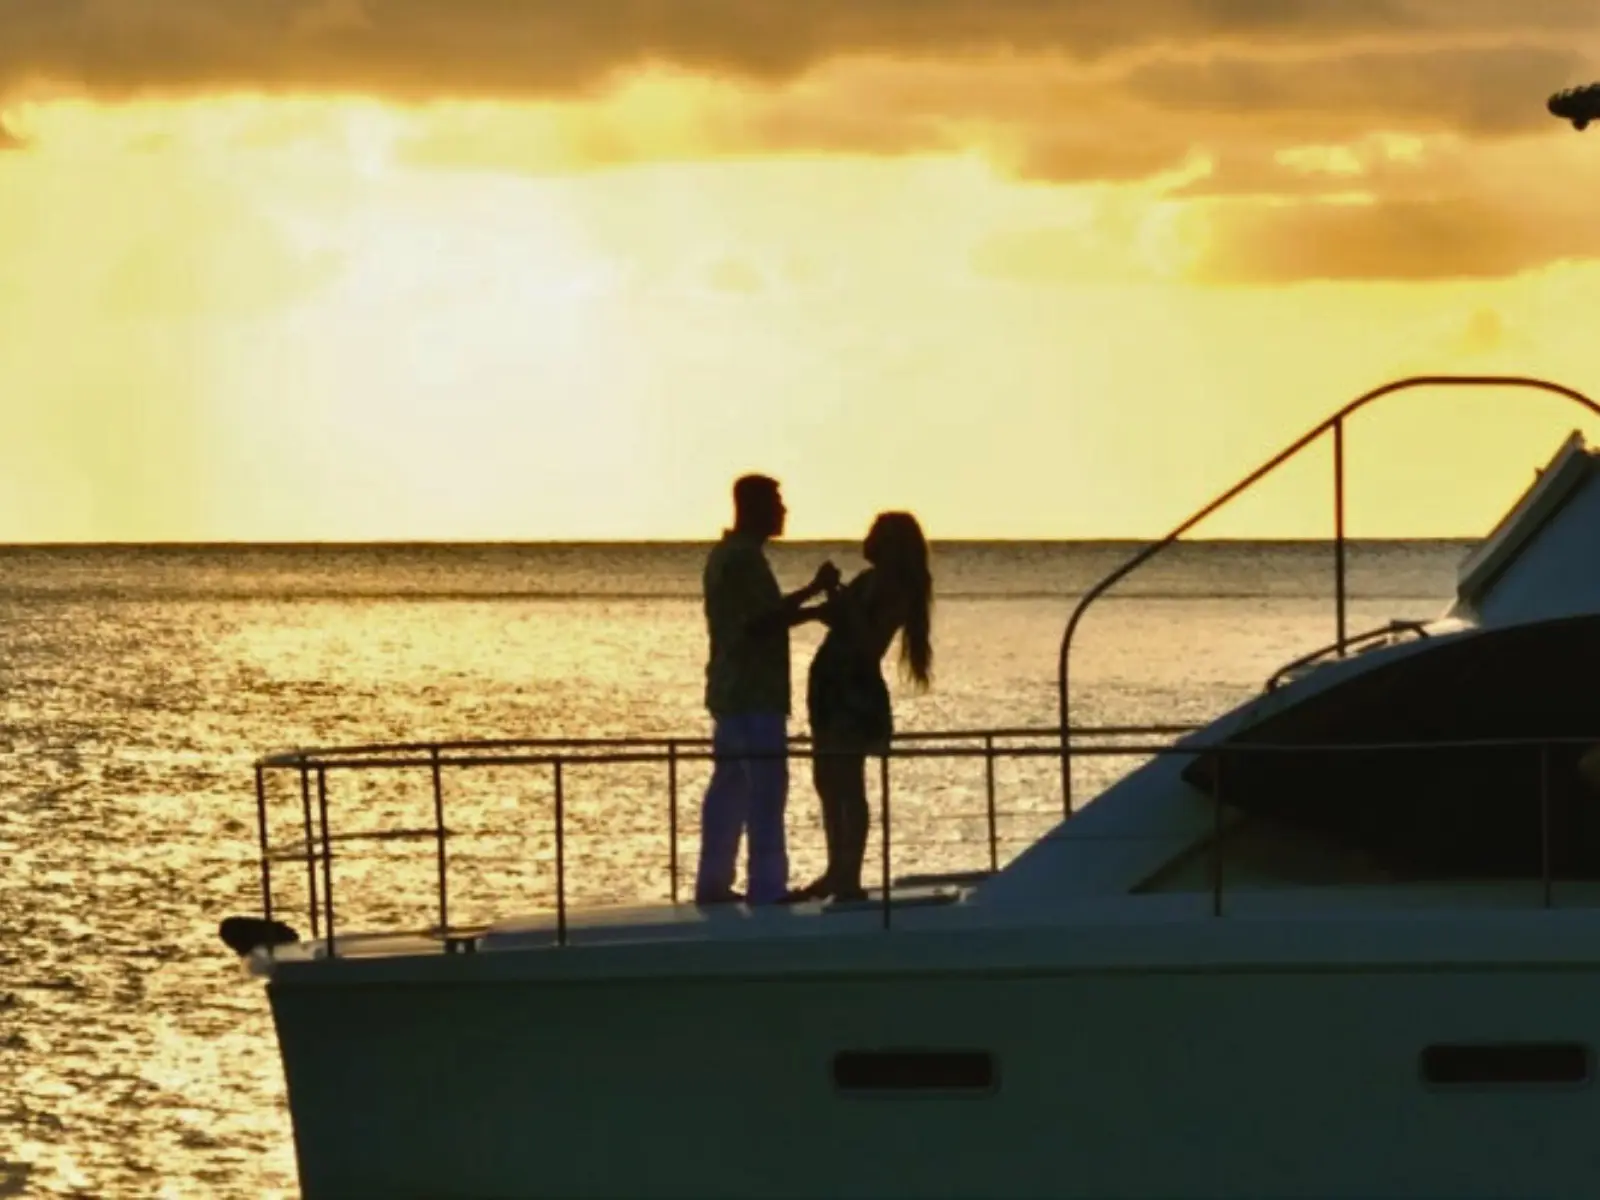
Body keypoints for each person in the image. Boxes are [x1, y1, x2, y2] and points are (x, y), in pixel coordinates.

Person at [696, 474, 839, 905]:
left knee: (729, 788)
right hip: (753, 693)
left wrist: (810, 601)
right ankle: (768, 887)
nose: (783, 511)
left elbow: (760, 615)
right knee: (764, 790)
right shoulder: (742, 560)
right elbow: (761, 622)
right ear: (753, 506)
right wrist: (816, 606)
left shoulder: (726, 556)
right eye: (776, 502)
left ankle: (714, 882)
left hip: (730, 690)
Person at [795, 512, 934, 903]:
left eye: (877, 534)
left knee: (847, 783)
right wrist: (826, 596)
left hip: (853, 689)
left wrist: (843, 606)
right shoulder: (868, 581)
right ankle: (835, 868)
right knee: (826, 780)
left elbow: (869, 642)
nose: (868, 538)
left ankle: (848, 875)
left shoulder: (896, 588)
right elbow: (841, 622)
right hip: (831, 683)